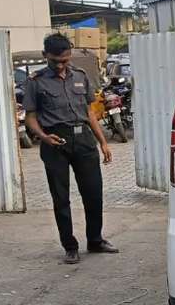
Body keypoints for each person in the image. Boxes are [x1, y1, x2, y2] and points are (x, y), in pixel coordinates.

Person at [23, 33, 119, 264]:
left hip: (84, 140)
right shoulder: (35, 82)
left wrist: (103, 142)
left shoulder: (80, 76)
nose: (60, 65)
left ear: (70, 55)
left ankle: (95, 240)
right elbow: (30, 117)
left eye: (64, 60)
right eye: (54, 60)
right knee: (61, 197)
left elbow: (90, 113)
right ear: (45, 55)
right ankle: (70, 245)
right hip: (55, 142)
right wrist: (44, 137)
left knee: (93, 193)